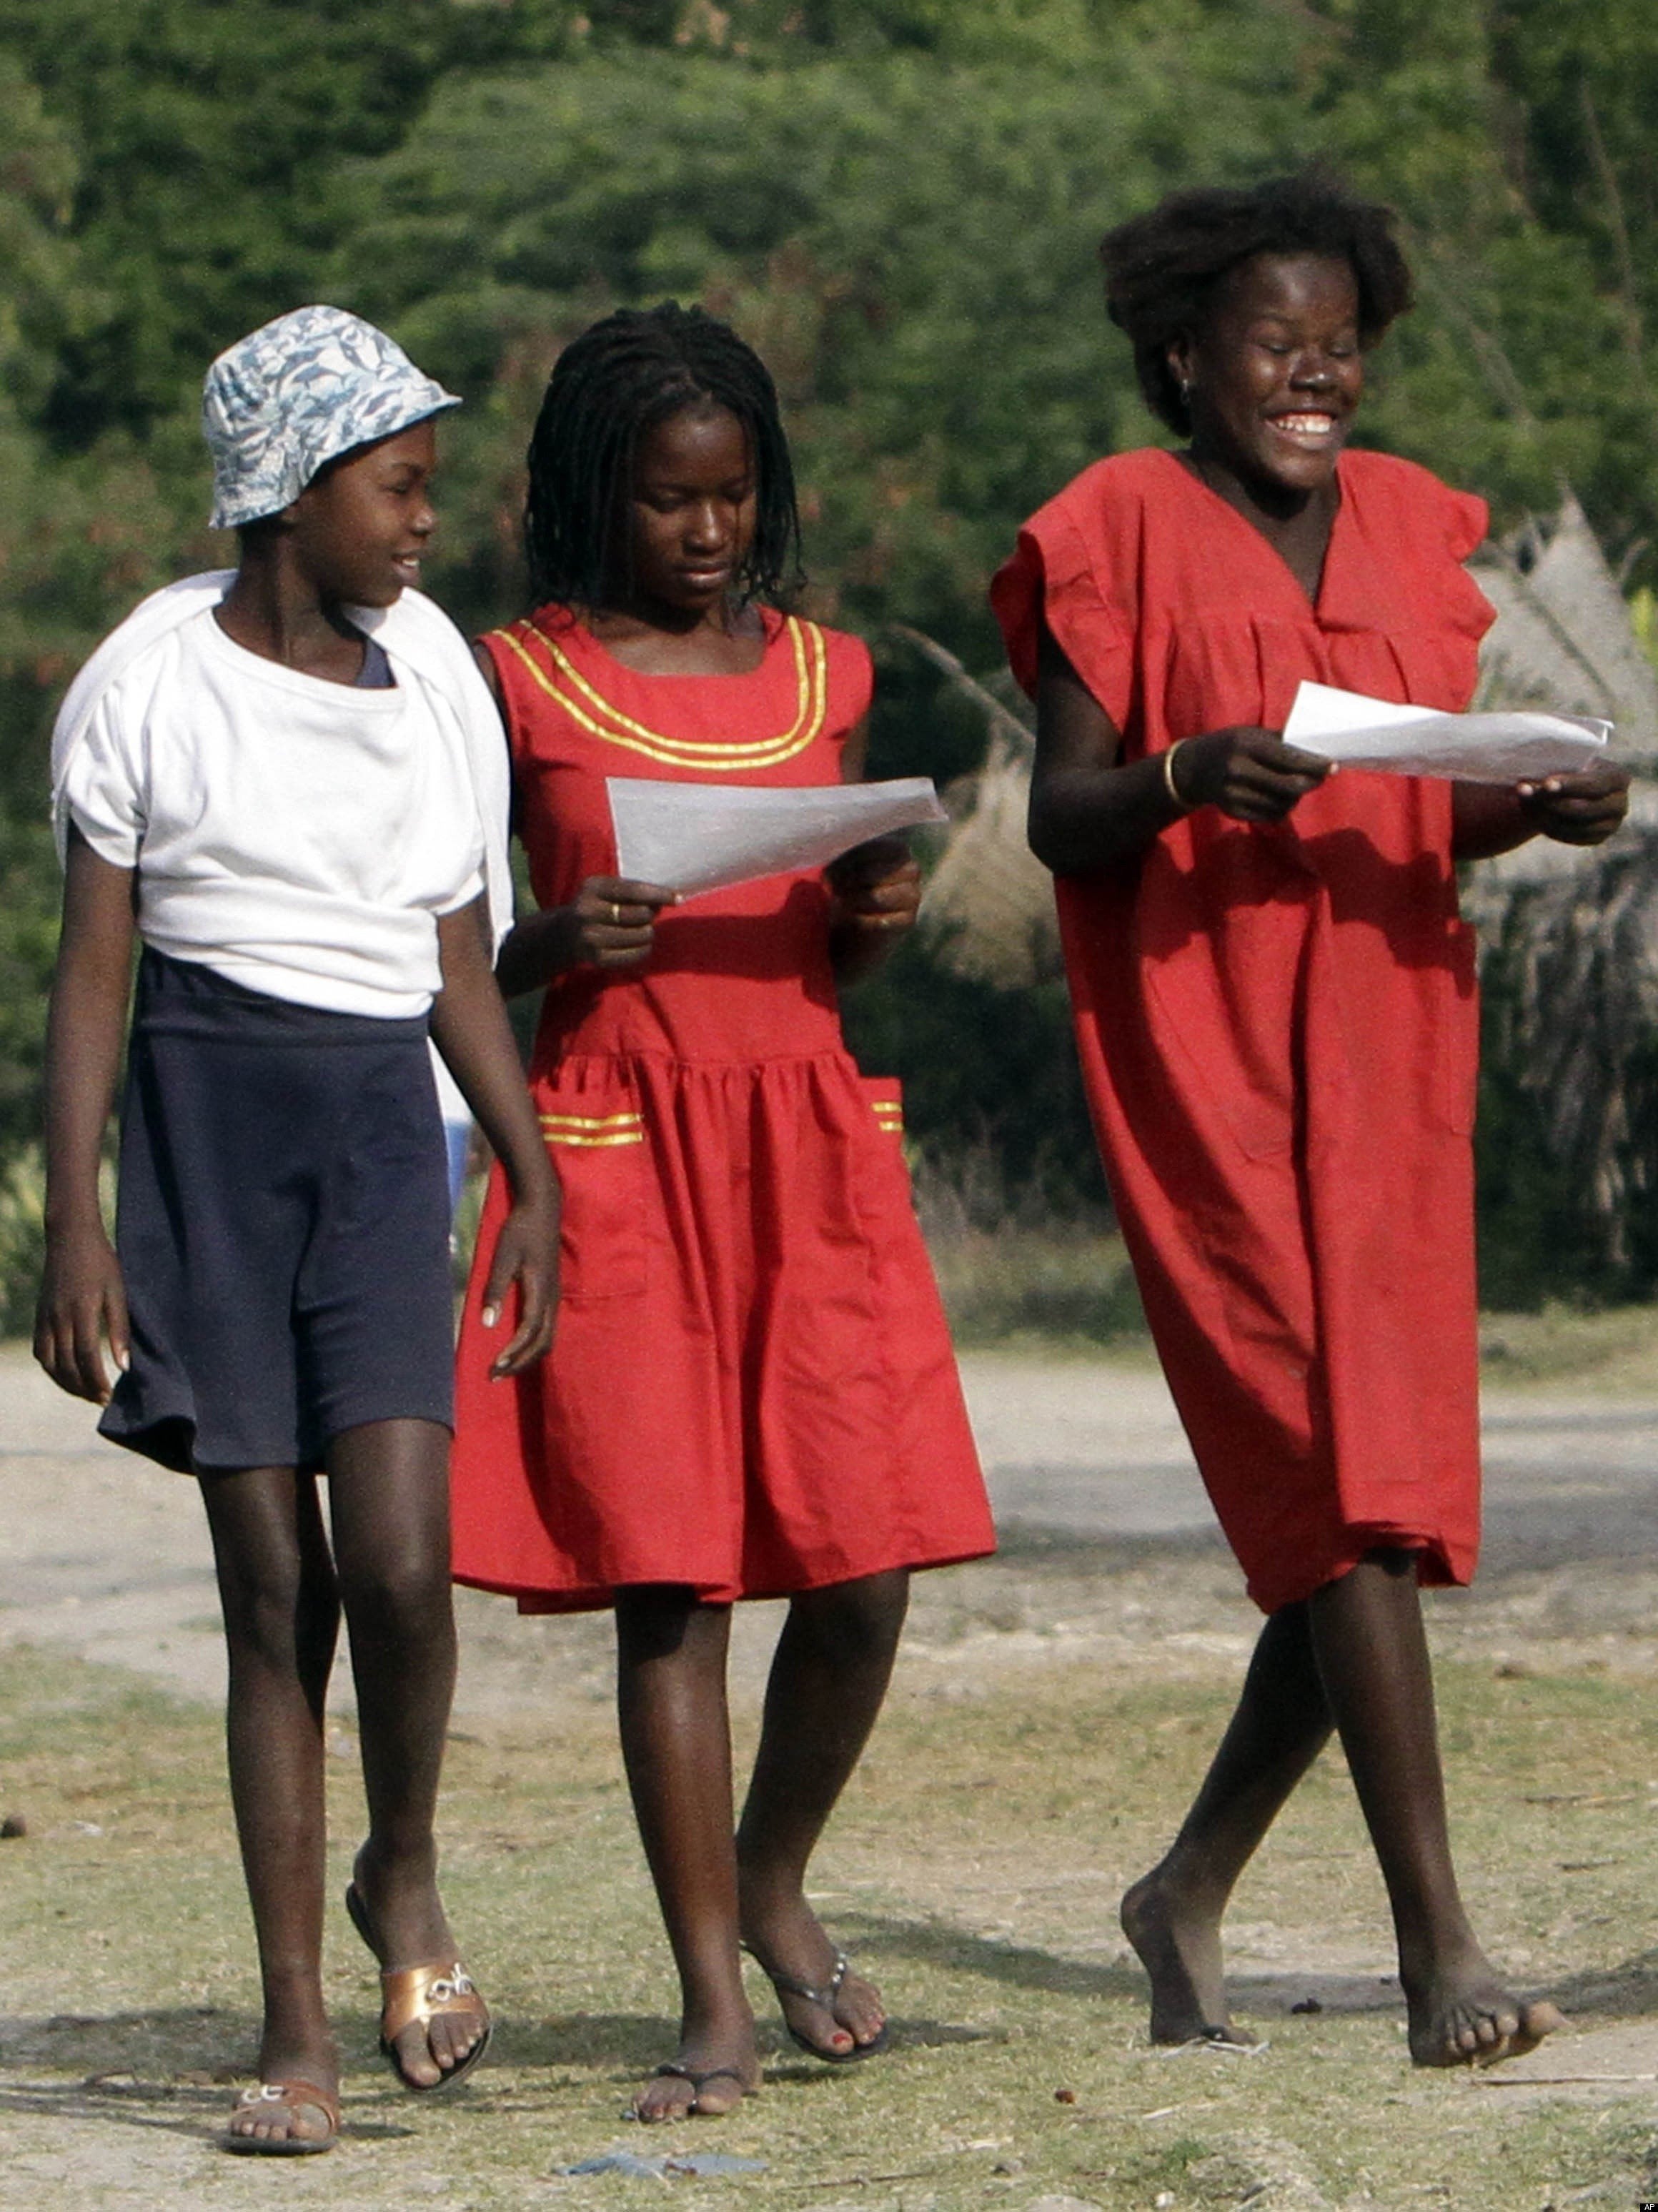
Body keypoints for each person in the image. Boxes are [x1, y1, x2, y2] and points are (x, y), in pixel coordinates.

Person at [991, 172, 1629, 2067]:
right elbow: (1061, 819)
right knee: (1331, 1488)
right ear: (1183, 353)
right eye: (1275, 344)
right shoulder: (1109, 529)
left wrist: (1538, 805)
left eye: (1339, 344)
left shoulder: (1421, 527)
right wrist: (1186, 771)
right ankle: (1441, 1946)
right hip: (1202, 1047)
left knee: (1386, 1502)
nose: (1313, 375)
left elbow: (1420, 800)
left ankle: (1184, 1890)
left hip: (1389, 1039)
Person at [450, 302, 995, 2120]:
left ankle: (776, 1873)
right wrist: (551, 943)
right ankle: (707, 1989)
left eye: (732, 498)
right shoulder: (509, 679)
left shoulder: (828, 673)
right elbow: (446, 945)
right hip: (617, 1144)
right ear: (591, 498)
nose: (704, 533)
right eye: (670, 501)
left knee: (866, 1561)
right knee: (671, 1583)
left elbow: (830, 915)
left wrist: (872, 914)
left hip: (806, 1141)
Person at [35, 306, 560, 2153]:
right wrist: (75, 1222)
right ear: (288, 492)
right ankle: (295, 2034)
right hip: (199, 1126)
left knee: (406, 1562)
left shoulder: (433, 683)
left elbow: (458, 957)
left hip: (371, 1136)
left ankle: (401, 1872)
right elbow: (94, 975)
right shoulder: (148, 681)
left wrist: (530, 1171)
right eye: (396, 487)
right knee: (278, 1595)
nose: (425, 523)